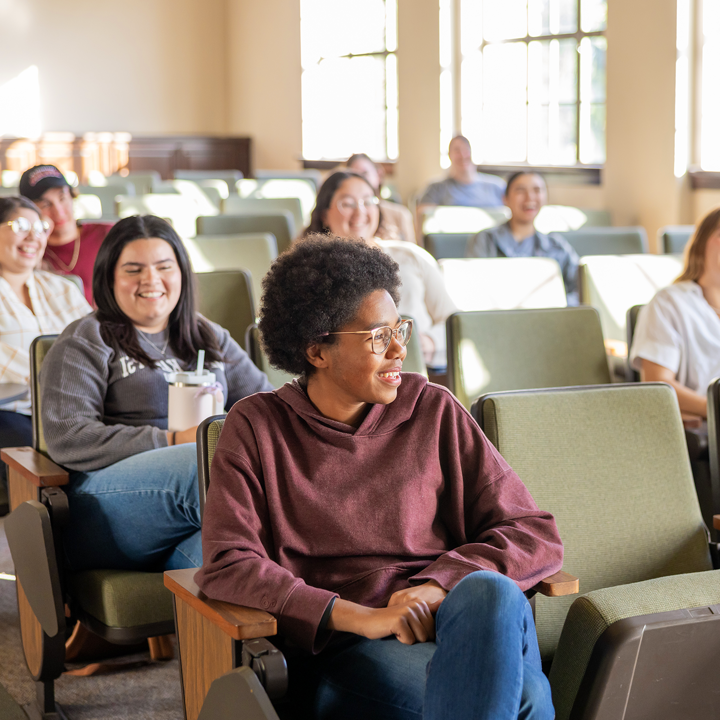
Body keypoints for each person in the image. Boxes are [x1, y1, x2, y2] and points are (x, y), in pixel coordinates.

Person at [196, 235, 563, 719]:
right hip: (349, 645)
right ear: (317, 351)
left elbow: (533, 532)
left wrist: (436, 587)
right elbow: (228, 563)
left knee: (490, 591)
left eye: (400, 330)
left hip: (457, 622)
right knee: (526, 702)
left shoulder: (434, 409)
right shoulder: (256, 426)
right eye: (377, 337)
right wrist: (364, 618)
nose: (398, 351)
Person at [40, 214, 273, 572]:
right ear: (109, 277)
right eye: (133, 269)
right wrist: (172, 439)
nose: (151, 280)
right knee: (206, 464)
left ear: (181, 273)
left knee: (235, 561)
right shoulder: (86, 339)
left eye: (164, 266)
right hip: (104, 504)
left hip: (200, 500)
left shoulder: (208, 336)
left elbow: (265, 405)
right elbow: (68, 437)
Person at [305, 170, 456, 364]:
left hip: (422, 369)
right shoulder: (310, 273)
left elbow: (454, 320)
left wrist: (429, 342)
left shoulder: (412, 256)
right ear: (325, 214)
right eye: (348, 203)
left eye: (368, 201)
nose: (360, 212)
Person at [0, 196, 92, 511]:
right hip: (12, 411)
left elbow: (95, 344)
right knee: (47, 459)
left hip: (75, 405)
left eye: (40, 227)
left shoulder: (63, 288)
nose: (34, 236)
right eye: (21, 226)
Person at [630, 207, 720, 418]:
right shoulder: (669, 303)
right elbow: (659, 386)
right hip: (706, 426)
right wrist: (713, 409)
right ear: (701, 244)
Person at [466, 171, 580, 306]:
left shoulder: (556, 245)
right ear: (505, 199)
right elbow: (474, 290)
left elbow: (578, 289)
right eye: (520, 190)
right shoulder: (485, 240)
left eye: (537, 190)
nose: (529, 197)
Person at [20, 164, 113, 305]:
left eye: (62, 198)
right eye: (45, 204)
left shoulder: (106, 234)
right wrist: (40, 234)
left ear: (72, 196)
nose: (58, 211)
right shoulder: (27, 250)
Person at [417, 135, 505, 210]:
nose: (462, 155)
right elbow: (422, 220)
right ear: (449, 155)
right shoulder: (436, 189)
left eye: (466, 149)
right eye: (457, 151)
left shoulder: (497, 186)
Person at [346, 153, 417, 244]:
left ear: (378, 176)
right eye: (355, 176)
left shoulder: (400, 214)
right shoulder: (347, 217)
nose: (361, 181)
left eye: (365, 174)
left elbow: (412, 253)